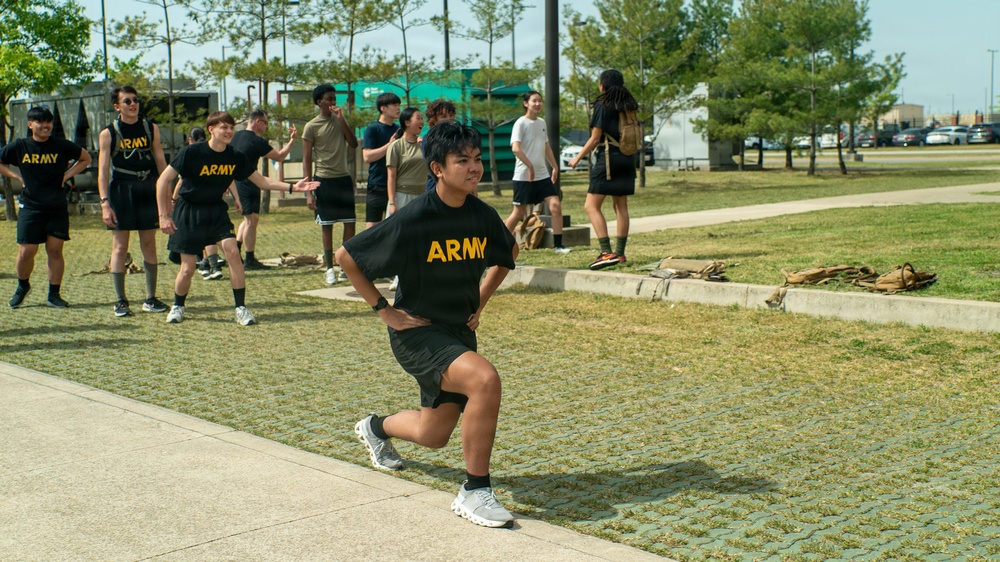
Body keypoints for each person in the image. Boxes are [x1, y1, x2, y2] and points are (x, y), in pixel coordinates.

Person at [336, 121, 519, 529]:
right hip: (417, 334)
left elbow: (508, 254)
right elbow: (346, 256)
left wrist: (480, 301)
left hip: (458, 332)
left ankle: (374, 427)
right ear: (437, 168)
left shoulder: (482, 215)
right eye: (462, 161)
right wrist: (384, 310)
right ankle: (474, 491)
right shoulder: (415, 218)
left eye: (477, 160)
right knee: (484, 380)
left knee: (434, 434)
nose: (475, 168)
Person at [156, 111, 318, 326]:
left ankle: (240, 308)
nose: (229, 131)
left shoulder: (234, 155)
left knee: (233, 253)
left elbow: (262, 181)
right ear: (211, 129)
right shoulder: (192, 152)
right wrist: (164, 216)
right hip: (189, 212)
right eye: (224, 127)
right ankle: (178, 306)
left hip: (216, 211)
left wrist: (292, 187)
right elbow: (162, 181)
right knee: (188, 268)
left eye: (231, 127)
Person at [0, 106, 92, 309]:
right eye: (40, 122)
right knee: (26, 251)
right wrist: (16, 176)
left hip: (56, 207)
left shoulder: (61, 145)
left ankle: (54, 294)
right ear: (30, 124)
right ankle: (22, 287)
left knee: (55, 250)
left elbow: (86, 158)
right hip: (31, 207)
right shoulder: (20, 146)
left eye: (48, 122)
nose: (45, 126)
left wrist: (66, 176)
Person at [97, 86, 170, 317]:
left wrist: (166, 197)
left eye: (136, 100)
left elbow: (161, 163)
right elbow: (102, 171)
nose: (133, 104)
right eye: (127, 101)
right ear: (117, 106)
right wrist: (104, 203)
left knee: (149, 244)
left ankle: (150, 298)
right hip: (121, 189)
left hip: (148, 187)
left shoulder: (151, 128)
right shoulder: (109, 133)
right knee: (120, 246)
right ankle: (120, 300)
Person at [568, 69, 639, 270]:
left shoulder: (603, 104)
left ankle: (606, 252)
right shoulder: (629, 105)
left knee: (591, 206)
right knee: (621, 207)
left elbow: (595, 138)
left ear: (603, 86)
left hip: (608, 159)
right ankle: (620, 253)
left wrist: (577, 157)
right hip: (627, 158)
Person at [302, 84, 359, 285]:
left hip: (343, 178)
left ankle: (345, 265)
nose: (333, 102)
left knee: (349, 222)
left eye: (334, 98)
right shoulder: (311, 126)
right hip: (323, 180)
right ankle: (329, 268)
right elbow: (307, 159)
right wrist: (309, 191)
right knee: (327, 225)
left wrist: (342, 119)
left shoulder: (339, 121)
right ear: (319, 101)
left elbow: (353, 143)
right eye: (329, 98)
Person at [502, 90, 569, 254]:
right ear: (526, 104)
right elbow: (515, 148)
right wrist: (530, 166)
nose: (538, 104)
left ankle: (558, 245)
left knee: (555, 206)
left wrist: (554, 166)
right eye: (534, 101)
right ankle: (498, 240)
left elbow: (546, 146)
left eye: (540, 101)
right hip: (524, 176)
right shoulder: (520, 123)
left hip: (542, 176)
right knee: (518, 213)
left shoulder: (542, 123)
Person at [232, 108, 298, 270]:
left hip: (238, 180)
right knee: (251, 221)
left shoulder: (236, 136)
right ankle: (249, 259)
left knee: (248, 219)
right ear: (257, 122)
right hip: (248, 181)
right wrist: (292, 141)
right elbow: (280, 157)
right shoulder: (256, 141)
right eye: (266, 123)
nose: (266, 127)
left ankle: (236, 253)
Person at [361, 92, 401, 228]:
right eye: (394, 105)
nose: (398, 108)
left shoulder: (399, 129)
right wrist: (389, 145)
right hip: (377, 183)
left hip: (398, 184)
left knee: (395, 225)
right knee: (373, 226)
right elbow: (367, 157)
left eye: (399, 105)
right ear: (383, 108)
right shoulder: (372, 129)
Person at [386, 107, 426, 214]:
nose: (422, 121)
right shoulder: (396, 146)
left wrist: (424, 146)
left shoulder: (424, 144)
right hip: (402, 196)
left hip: (422, 195)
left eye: (422, 118)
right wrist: (392, 203)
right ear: (407, 122)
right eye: (418, 118)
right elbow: (391, 176)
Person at [422, 99, 457, 193]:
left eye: (451, 115)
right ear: (433, 120)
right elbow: (432, 167)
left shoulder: (458, 137)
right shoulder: (428, 139)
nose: (449, 119)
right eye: (443, 116)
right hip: (436, 186)